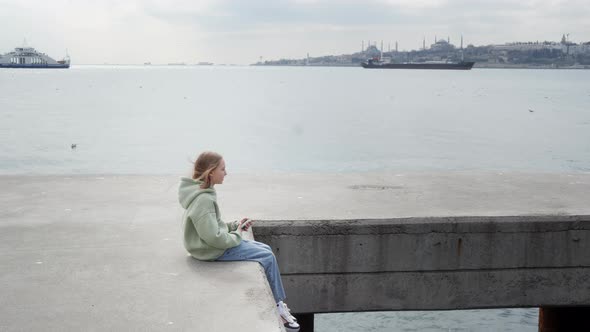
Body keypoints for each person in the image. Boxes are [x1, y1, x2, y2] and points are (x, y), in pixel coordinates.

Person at [179, 151, 300, 332]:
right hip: (210, 250)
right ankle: (278, 307)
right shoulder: (204, 199)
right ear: (211, 172)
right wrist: (237, 235)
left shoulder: (201, 192)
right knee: (266, 256)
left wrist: (235, 225)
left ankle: (279, 303)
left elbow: (213, 226)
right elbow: (213, 237)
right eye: (223, 169)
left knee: (265, 248)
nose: (226, 173)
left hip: (207, 245)